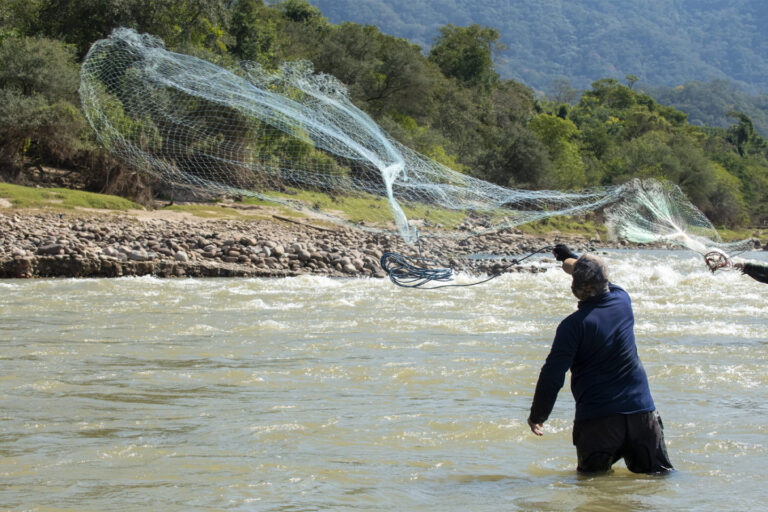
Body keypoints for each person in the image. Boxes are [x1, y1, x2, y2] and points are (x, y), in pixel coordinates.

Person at [527, 244, 673, 474]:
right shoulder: (622, 300)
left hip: (598, 422)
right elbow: (596, 277)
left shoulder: (572, 326)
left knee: (592, 487)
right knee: (657, 481)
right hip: (642, 417)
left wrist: (538, 415)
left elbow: (552, 375)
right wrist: (568, 257)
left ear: (575, 289)